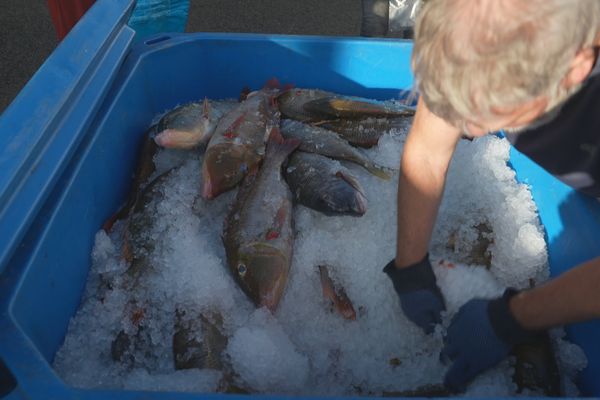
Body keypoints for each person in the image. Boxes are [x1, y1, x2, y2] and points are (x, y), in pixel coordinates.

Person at [383, 0, 600, 392]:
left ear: (574, 69)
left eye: (487, 111)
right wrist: (410, 265)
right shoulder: (478, 40)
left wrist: (512, 318)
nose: (469, 130)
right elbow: (430, 151)